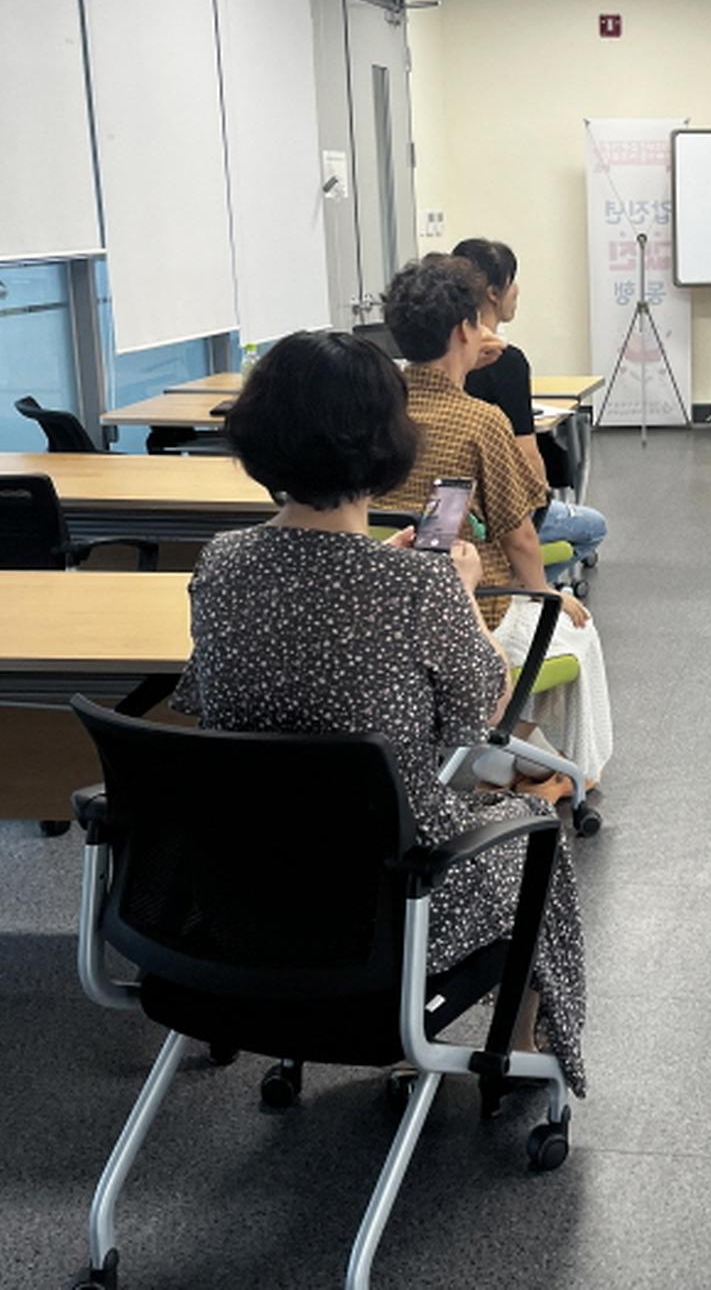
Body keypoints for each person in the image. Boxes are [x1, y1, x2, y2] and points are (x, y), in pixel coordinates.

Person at [170, 331, 587, 1094]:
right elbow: (479, 720)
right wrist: (457, 593)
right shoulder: (416, 590)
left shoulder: (220, 564)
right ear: (386, 444)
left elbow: (207, 696)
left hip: (241, 886)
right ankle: (518, 1053)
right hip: (390, 896)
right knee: (535, 839)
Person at [379, 254, 614, 790]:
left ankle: (514, 759)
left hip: (393, 594)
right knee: (572, 628)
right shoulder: (479, 422)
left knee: (551, 623)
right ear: (467, 329)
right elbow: (520, 533)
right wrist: (546, 594)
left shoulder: (381, 407)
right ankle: (565, 773)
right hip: (473, 598)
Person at [451, 236, 608, 585]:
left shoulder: (429, 364)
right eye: (512, 281)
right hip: (494, 515)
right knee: (593, 527)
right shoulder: (505, 361)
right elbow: (528, 459)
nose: (517, 291)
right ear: (494, 291)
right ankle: (515, 590)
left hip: (443, 517)